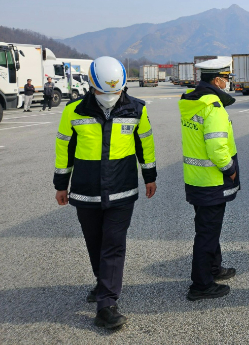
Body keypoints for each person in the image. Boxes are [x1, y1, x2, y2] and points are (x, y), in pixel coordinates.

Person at [53, 56, 157, 330]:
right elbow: (64, 149)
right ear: (91, 85)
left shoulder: (137, 109)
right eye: (104, 92)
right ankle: (103, 284)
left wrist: (150, 176)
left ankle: (106, 304)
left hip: (122, 188)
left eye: (116, 91)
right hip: (86, 190)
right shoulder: (73, 111)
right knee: (95, 241)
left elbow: (145, 144)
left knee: (113, 243)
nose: (111, 97)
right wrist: (60, 185)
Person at [179, 57, 240, 301]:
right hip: (213, 180)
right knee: (207, 233)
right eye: (226, 78)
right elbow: (216, 147)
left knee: (207, 227)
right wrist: (229, 169)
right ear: (216, 80)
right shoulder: (212, 106)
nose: (227, 82)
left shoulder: (191, 102)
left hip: (196, 178)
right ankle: (201, 284)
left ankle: (214, 268)